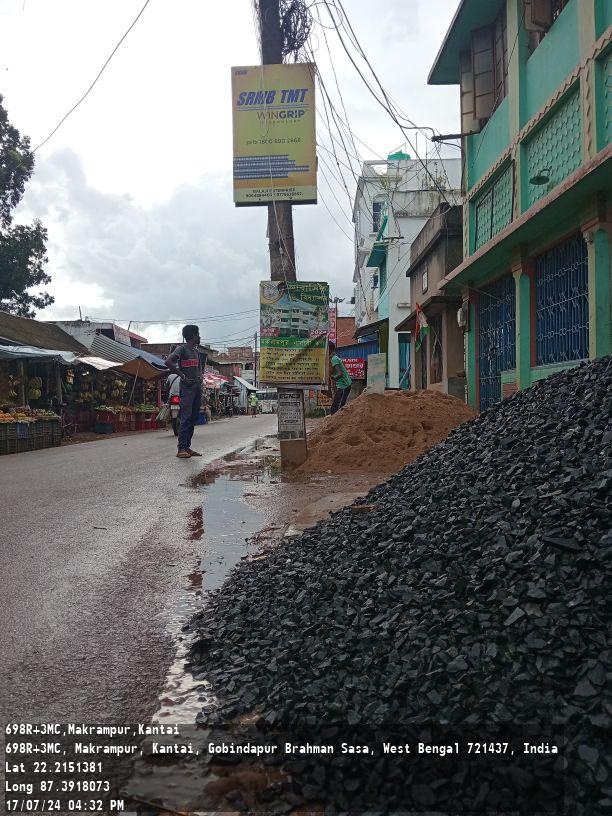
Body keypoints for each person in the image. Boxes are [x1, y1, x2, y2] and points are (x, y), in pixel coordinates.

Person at [165, 325, 203, 458]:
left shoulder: (196, 352)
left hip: (197, 387)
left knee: (193, 418)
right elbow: (168, 362)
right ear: (192, 336)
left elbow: (199, 369)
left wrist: (200, 377)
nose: (199, 336)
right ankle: (181, 448)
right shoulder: (181, 349)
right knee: (186, 417)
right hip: (187, 388)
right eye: (198, 334)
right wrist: (182, 376)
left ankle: (187, 447)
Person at [328, 341, 352, 415]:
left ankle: (334, 420)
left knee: (335, 406)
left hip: (343, 385)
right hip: (345, 384)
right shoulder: (334, 358)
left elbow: (340, 374)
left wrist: (333, 379)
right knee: (340, 405)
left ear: (330, 349)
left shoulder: (334, 359)